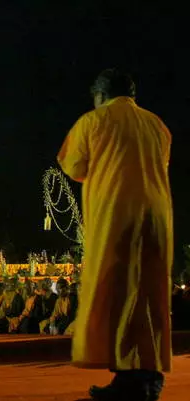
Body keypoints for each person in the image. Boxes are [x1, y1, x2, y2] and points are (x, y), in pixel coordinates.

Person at [57, 68, 173, 401]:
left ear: (99, 96)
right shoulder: (158, 125)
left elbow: (75, 166)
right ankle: (146, 376)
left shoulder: (93, 122)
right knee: (149, 296)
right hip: (157, 217)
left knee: (119, 293)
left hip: (116, 216)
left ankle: (131, 380)